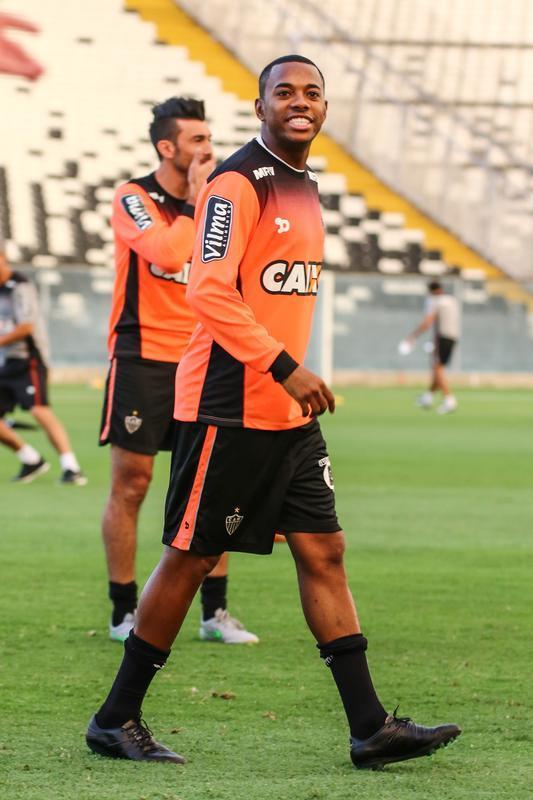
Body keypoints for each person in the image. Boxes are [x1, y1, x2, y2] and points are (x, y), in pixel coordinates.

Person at [86, 56, 461, 770]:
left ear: (324, 107)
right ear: (258, 105)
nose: (300, 102)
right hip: (232, 403)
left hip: (286, 415)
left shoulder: (305, 186)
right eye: (283, 92)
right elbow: (207, 288)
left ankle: (369, 728)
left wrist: (288, 381)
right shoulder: (237, 182)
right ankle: (115, 717)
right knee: (191, 557)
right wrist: (284, 366)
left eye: (312, 92)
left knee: (324, 550)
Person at [99, 97, 258, 645]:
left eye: (210, 138)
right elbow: (167, 255)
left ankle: (215, 614)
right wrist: (195, 200)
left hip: (203, 357)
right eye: (196, 140)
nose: (208, 149)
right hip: (142, 355)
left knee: (206, 488)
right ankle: (124, 610)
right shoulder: (133, 197)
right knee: (133, 483)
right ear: (167, 147)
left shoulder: (223, 198)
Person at [0, 248, 86, 484]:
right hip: (6, 362)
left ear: (3, 259)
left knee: (39, 409)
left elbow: (26, 327)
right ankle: (30, 459)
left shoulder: (20, 286)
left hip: (30, 359)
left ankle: (72, 467)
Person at [404, 280, 460, 414]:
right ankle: (428, 397)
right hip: (453, 336)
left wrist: (413, 336)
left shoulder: (435, 301)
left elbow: (428, 322)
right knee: (438, 368)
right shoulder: (451, 300)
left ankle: (449, 399)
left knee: (437, 368)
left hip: (442, 337)